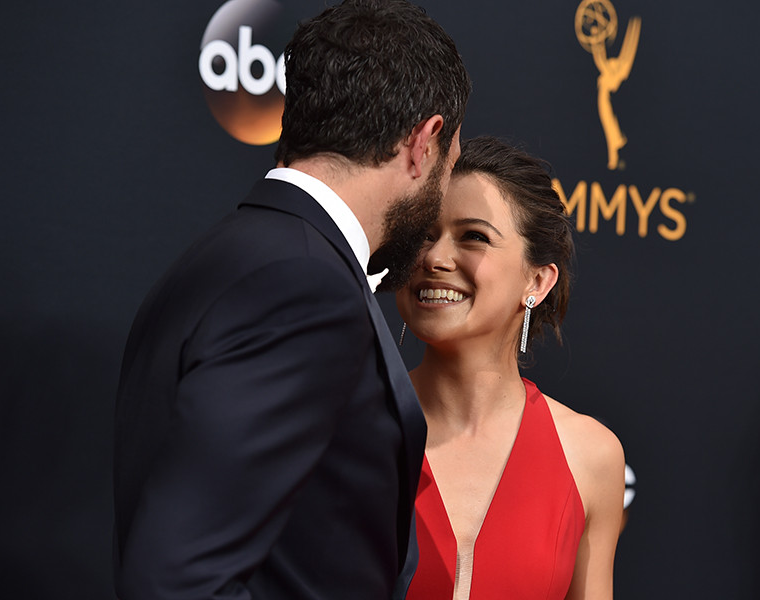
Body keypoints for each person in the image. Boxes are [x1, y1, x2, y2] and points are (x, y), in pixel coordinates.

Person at [113, 1, 470, 598]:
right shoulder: (304, 286)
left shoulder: (232, 253)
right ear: (424, 142)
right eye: (450, 165)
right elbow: (178, 579)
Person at [396, 137, 625, 599]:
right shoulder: (346, 425)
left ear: (537, 280)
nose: (435, 258)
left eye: (473, 236)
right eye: (423, 233)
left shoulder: (590, 456)